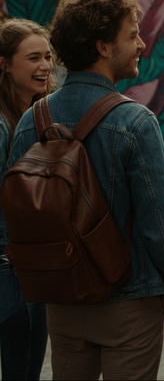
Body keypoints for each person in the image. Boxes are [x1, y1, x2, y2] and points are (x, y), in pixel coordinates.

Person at [9, 0, 164, 380]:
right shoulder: (136, 122)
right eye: (132, 34)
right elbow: (162, 226)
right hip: (130, 300)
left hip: (62, 302)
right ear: (103, 47)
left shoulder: (30, 121)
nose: (142, 43)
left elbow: (16, 218)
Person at [0, 19, 51, 380]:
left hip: (28, 268)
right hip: (11, 272)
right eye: (33, 58)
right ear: (4, 63)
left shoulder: (33, 118)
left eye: (48, 57)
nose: (45, 66)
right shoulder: (2, 126)